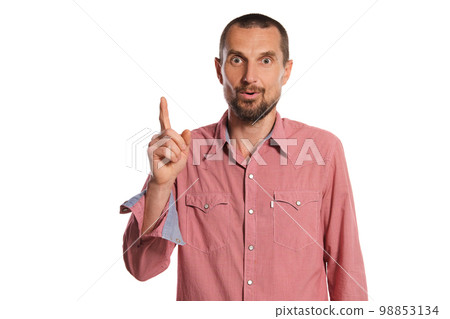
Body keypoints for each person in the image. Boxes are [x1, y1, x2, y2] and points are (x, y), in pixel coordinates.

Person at [120, 13, 368, 301]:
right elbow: (142, 268)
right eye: (237, 60)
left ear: (286, 71)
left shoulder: (324, 151)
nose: (250, 77)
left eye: (265, 60)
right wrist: (160, 187)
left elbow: (346, 269)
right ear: (219, 69)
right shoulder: (183, 153)